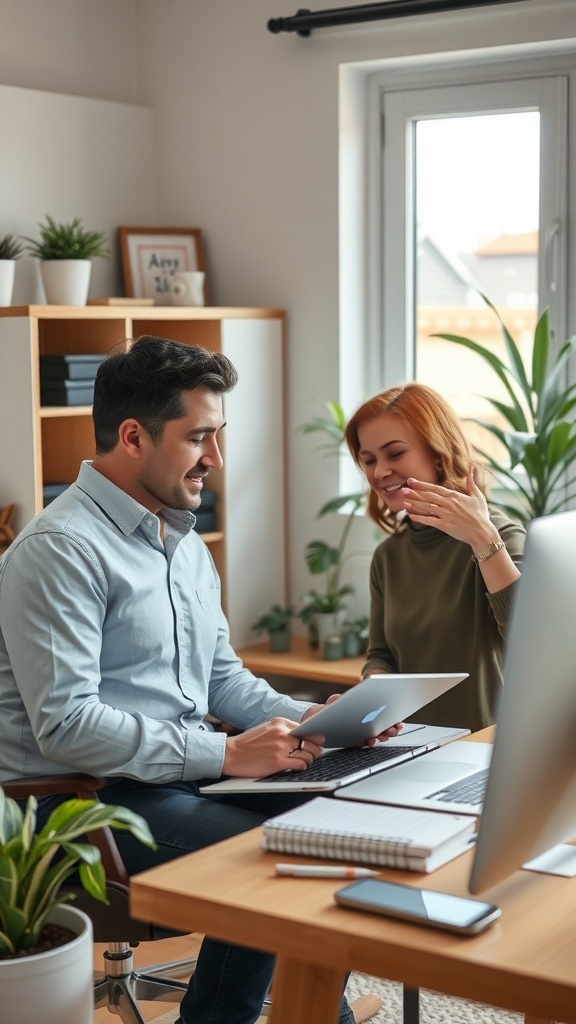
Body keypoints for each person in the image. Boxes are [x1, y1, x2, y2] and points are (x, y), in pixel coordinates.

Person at [0, 335, 395, 1024]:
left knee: (340, 830)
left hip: (173, 781)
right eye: (199, 437)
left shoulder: (180, 542)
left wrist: (318, 719)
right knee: (273, 863)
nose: (215, 458)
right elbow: (66, 728)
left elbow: (221, 682)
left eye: (218, 435)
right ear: (132, 437)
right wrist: (227, 754)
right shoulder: (59, 551)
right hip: (76, 806)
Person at [344, 382, 526, 733]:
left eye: (394, 453)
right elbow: (381, 655)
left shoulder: (500, 535)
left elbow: (527, 635)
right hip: (411, 747)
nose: (379, 472)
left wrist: (481, 537)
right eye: (369, 460)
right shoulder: (388, 557)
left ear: (439, 452)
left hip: (486, 749)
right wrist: (371, 701)